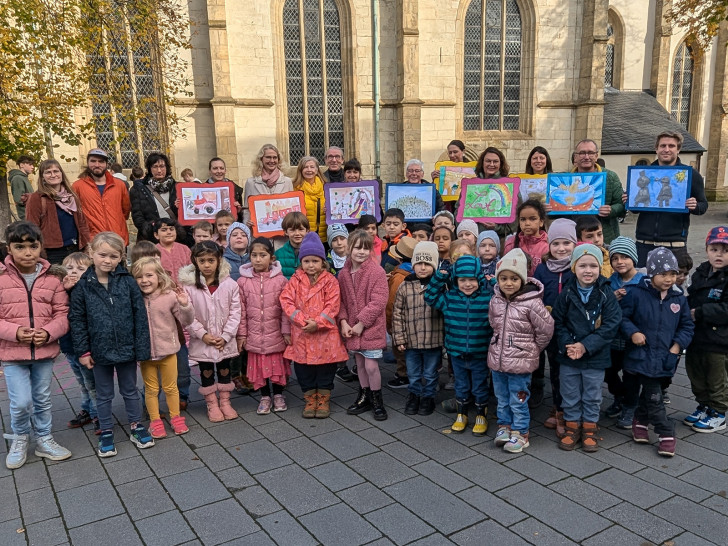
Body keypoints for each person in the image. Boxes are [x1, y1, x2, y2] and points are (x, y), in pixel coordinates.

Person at [69, 231, 154, 458]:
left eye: (113, 256)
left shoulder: (127, 282)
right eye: (102, 254)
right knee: (103, 394)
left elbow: (140, 316)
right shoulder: (83, 286)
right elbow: (77, 320)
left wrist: (141, 348)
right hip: (99, 351)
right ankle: (106, 431)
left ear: (121, 257)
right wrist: (83, 351)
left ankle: (136, 426)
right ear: (91, 253)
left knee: (130, 390)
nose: (107, 260)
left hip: (127, 348)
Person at [0, 222, 72, 469]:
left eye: (33, 245)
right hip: (12, 353)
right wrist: (16, 332)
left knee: (42, 399)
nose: (27, 252)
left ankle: (44, 438)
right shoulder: (0, 277)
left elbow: (62, 313)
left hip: (43, 352)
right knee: (20, 401)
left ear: (41, 246)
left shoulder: (53, 278)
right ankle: (20, 437)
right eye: (20, 246)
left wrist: (49, 332)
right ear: (9, 248)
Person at [620, 248, 694, 457]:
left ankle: (640, 421)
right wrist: (633, 332)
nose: (669, 279)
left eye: (673, 274)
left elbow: (687, 326)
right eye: (663, 274)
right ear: (652, 274)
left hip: (667, 357)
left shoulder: (679, 299)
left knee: (654, 393)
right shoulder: (636, 293)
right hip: (640, 354)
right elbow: (623, 318)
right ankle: (666, 433)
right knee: (654, 397)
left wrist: (677, 346)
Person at [552, 244, 621, 452]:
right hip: (569, 355)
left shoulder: (606, 293)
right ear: (574, 267)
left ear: (600, 268)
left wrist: (585, 346)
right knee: (570, 392)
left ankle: (590, 426)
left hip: (595, 355)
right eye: (582, 265)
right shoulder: (566, 293)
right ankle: (572, 425)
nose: (588, 270)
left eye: (593, 265)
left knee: (592, 393)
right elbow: (558, 322)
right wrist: (569, 346)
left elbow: (611, 324)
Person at [489, 248, 554, 453]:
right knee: (501, 397)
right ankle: (504, 426)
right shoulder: (496, 300)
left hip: (521, 361)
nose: (508, 283)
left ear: (523, 280)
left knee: (518, 398)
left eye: (514, 279)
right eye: (504, 278)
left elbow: (546, 328)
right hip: (498, 360)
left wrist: (532, 349)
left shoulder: (532, 303)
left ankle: (521, 432)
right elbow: (493, 323)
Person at [280, 232, 349, 418]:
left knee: (326, 368)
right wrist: (302, 321)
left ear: (322, 262)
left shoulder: (331, 281)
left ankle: (324, 398)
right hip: (302, 333)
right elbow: (286, 301)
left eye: (315, 261)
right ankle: (310, 398)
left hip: (325, 334)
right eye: (307, 261)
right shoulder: (294, 281)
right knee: (304, 368)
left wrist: (317, 323)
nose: (311, 265)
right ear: (301, 262)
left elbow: (333, 305)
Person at [425, 255, 493, 436]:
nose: (467, 284)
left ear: (479, 278)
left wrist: (493, 283)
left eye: (472, 279)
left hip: (480, 352)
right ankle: (461, 413)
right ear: (455, 280)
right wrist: (440, 276)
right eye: (462, 280)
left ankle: (481, 413)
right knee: (461, 385)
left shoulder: (487, 298)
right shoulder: (449, 298)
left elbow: (503, 300)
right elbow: (430, 296)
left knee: (480, 385)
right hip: (456, 352)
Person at [179, 241, 242, 422]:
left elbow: (235, 312)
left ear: (219, 260)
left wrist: (226, 336)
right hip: (202, 341)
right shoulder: (189, 287)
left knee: (224, 370)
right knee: (206, 371)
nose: (207, 265)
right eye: (202, 261)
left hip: (224, 340)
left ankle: (225, 402)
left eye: (211, 260)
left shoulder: (230, 284)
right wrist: (203, 335)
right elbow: (187, 316)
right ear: (195, 262)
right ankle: (212, 404)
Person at [132, 257, 194, 438]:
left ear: (159, 276)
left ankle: (175, 417)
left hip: (168, 351)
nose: (144, 280)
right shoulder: (135, 298)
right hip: (145, 354)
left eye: (149, 275)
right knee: (151, 389)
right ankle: (155, 421)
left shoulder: (169, 296)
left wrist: (185, 305)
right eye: (139, 277)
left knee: (171, 387)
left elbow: (186, 321)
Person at [631, 132, 709, 266]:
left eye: (671, 146)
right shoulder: (644, 173)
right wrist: (629, 200)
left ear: (678, 149)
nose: (666, 149)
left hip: (674, 244)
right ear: (656, 149)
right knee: (642, 284)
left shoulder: (690, 174)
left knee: (671, 285)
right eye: (663, 146)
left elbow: (703, 205)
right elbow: (635, 210)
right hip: (644, 243)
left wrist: (695, 206)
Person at [236, 237, 291, 414]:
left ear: (272, 258)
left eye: (262, 255)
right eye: (254, 255)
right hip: (254, 335)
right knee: (259, 369)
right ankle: (265, 396)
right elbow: (241, 311)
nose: (258, 259)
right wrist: (242, 335)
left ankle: (278, 395)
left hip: (275, 334)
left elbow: (285, 310)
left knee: (276, 367)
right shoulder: (243, 282)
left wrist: (286, 331)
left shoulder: (281, 281)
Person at [339, 231, 390, 420]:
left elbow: (379, 301)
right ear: (349, 248)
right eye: (357, 247)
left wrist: (362, 323)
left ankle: (377, 399)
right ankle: (364, 395)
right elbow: (341, 301)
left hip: (370, 327)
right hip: (352, 328)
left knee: (371, 366)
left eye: (366, 248)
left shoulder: (377, 271)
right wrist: (344, 322)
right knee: (359, 363)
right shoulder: (343, 274)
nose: (361, 252)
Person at [684, 227, 728, 433]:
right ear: (707, 249)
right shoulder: (702, 271)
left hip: (719, 340)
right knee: (696, 374)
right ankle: (704, 405)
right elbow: (691, 295)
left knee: (716, 377)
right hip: (697, 336)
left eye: (725, 250)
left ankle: (718, 412)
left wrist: (699, 312)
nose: (719, 254)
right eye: (714, 249)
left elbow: (725, 309)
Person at [392, 241, 444, 416]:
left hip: (433, 340)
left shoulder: (440, 286)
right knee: (413, 373)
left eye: (427, 264)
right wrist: (399, 338)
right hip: (411, 341)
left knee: (430, 373)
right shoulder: (405, 286)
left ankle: (428, 397)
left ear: (434, 266)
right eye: (419, 263)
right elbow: (397, 313)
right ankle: (414, 395)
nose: (422, 268)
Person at [533, 218, 577, 423]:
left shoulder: (577, 268)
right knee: (556, 370)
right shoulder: (543, 269)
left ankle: (571, 408)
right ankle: (558, 407)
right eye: (556, 243)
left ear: (574, 244)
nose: (561, 248)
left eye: (566, 243)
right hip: (548, 328)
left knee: (571, 370)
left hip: (571, 328)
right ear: (549, 245)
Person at [606, 237, 645, 427]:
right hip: (612, 338)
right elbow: (602, 304)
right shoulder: (610, 282)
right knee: (609, 371)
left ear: (634, 259)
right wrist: (612, 298)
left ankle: (630, 406)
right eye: (615, 258)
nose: (620, 262)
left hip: (633, 338)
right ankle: (619, 397)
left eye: (625, 257)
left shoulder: (643, 282)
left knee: (631, 375)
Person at [60, 252, 98, 434]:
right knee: (81, 383)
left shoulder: (89, 290)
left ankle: (98, 413)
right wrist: (65, 290)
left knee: (92, 384)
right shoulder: (61, 291)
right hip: (68, 346)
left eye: (80, 269)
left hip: (85, 348)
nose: (74, 271)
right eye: (70, 268)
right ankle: (87, 410)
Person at [26, 159, 91, 264]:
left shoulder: (71, 195)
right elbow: (31, 228)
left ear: (61, 174)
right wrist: (39, 251)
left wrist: (87, 244)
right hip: (53, 252)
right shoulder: (37, 198)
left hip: (75, 248)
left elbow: (82, 223)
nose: (53, 175)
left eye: (56, 171)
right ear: (42, 177)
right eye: (48, 172)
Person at [72, 148, 132, 245]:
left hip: (117, 239)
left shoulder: (119, 185)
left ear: (106, 164)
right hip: (94, 241)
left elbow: (125, 210)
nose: (97, 165)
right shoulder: (77, 186)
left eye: (101, 161)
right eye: (93, 161)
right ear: (87, 162)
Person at [570, 139, 624, 245]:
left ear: (596, 156)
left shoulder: (611, 177)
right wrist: (551, 209)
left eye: (590, 153)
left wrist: (611, 210)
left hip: (605, 235)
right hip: (575, 236)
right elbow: (559, 212)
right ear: (575, 157)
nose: (586, 157)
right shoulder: (567, 179)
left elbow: (621, 205)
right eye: (582, 153)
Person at [385, 236, 417, 388]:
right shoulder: (418, 272)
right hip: (414, 322)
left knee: (400, 351)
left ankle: (403, 375)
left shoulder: (398, 277)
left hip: (400, 322)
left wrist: (389, 324)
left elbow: (391, 303)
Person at [129, 153, 181, 243]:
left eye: (162, 166)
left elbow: (182, 215)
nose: (159, 170)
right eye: (155, 167)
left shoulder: (177, 187)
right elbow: (138, 217)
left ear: (167, 168)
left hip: (174, 237)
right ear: (149, 169)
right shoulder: (139, 189)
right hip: (151, 238)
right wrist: (153, 231)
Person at [242, 144, 293, 225]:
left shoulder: (287, 182)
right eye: (268, 157)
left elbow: (291, 208)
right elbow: (246, 209)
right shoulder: (251, 183)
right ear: (261, 159)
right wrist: (247, 223)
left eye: (275, 157)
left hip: (282, 231)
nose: (272, 161)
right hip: (259, 232)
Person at [503, 199, 548, 277]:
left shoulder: (548, 246)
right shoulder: (511, 244)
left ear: (541, 222)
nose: (527, 223)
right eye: (523, 219)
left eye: (532, 219)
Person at [293, 156, 328, 243]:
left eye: (312, 167)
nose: (309, 170)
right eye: (305, 167)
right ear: (301, 170)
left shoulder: (326, 187)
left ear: (316, 170)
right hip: (303, 236)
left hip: (324, 236)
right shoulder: (294, 189)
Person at [205, 157, 244, 221]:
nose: (219, 171)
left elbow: (240, 217)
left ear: (225, 170)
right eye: (215, 168)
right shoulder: (202, 190)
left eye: (221, 168)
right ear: (210, 171)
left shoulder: (236, 190)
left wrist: (239, 211)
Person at [154, 218, 191, 284]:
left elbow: (192, 270)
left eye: (171, 229)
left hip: (185, 289)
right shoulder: (153, 251)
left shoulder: (184, 249)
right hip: (162, 289)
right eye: (164, 230)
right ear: (156, 235)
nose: (169, 232)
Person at [278, 211, 309, 279]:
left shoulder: (313, 253)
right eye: (292, 230)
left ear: (307, 231)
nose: (297, 233)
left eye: (301, 229)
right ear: (286, 232)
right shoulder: (278, 255)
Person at [9, 155, 35, 220]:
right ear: (22, 165)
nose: (33, 167)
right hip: (27, 216)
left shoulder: (24, 178)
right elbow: (19, 199)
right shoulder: (17, 178)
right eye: (30, 164)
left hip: (32, 215)